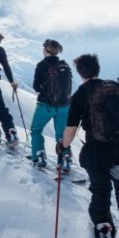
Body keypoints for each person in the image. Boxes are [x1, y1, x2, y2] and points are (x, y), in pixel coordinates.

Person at [59, 53, 119, 238]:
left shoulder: (81, 94)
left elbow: (71, 128)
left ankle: (104, 228)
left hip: (97, 153)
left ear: (81, 74)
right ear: (97, 69)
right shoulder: (116, 87)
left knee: (100, 191)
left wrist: (63, 146)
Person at [29, 39, 71, 168]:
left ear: (46, 51)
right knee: (61, 135)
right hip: (64, 106)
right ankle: (64, 160)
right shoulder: (64, 65)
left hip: (45, 106)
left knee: (36, 131)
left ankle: (39, 156)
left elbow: (36, 87)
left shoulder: (42, 65)